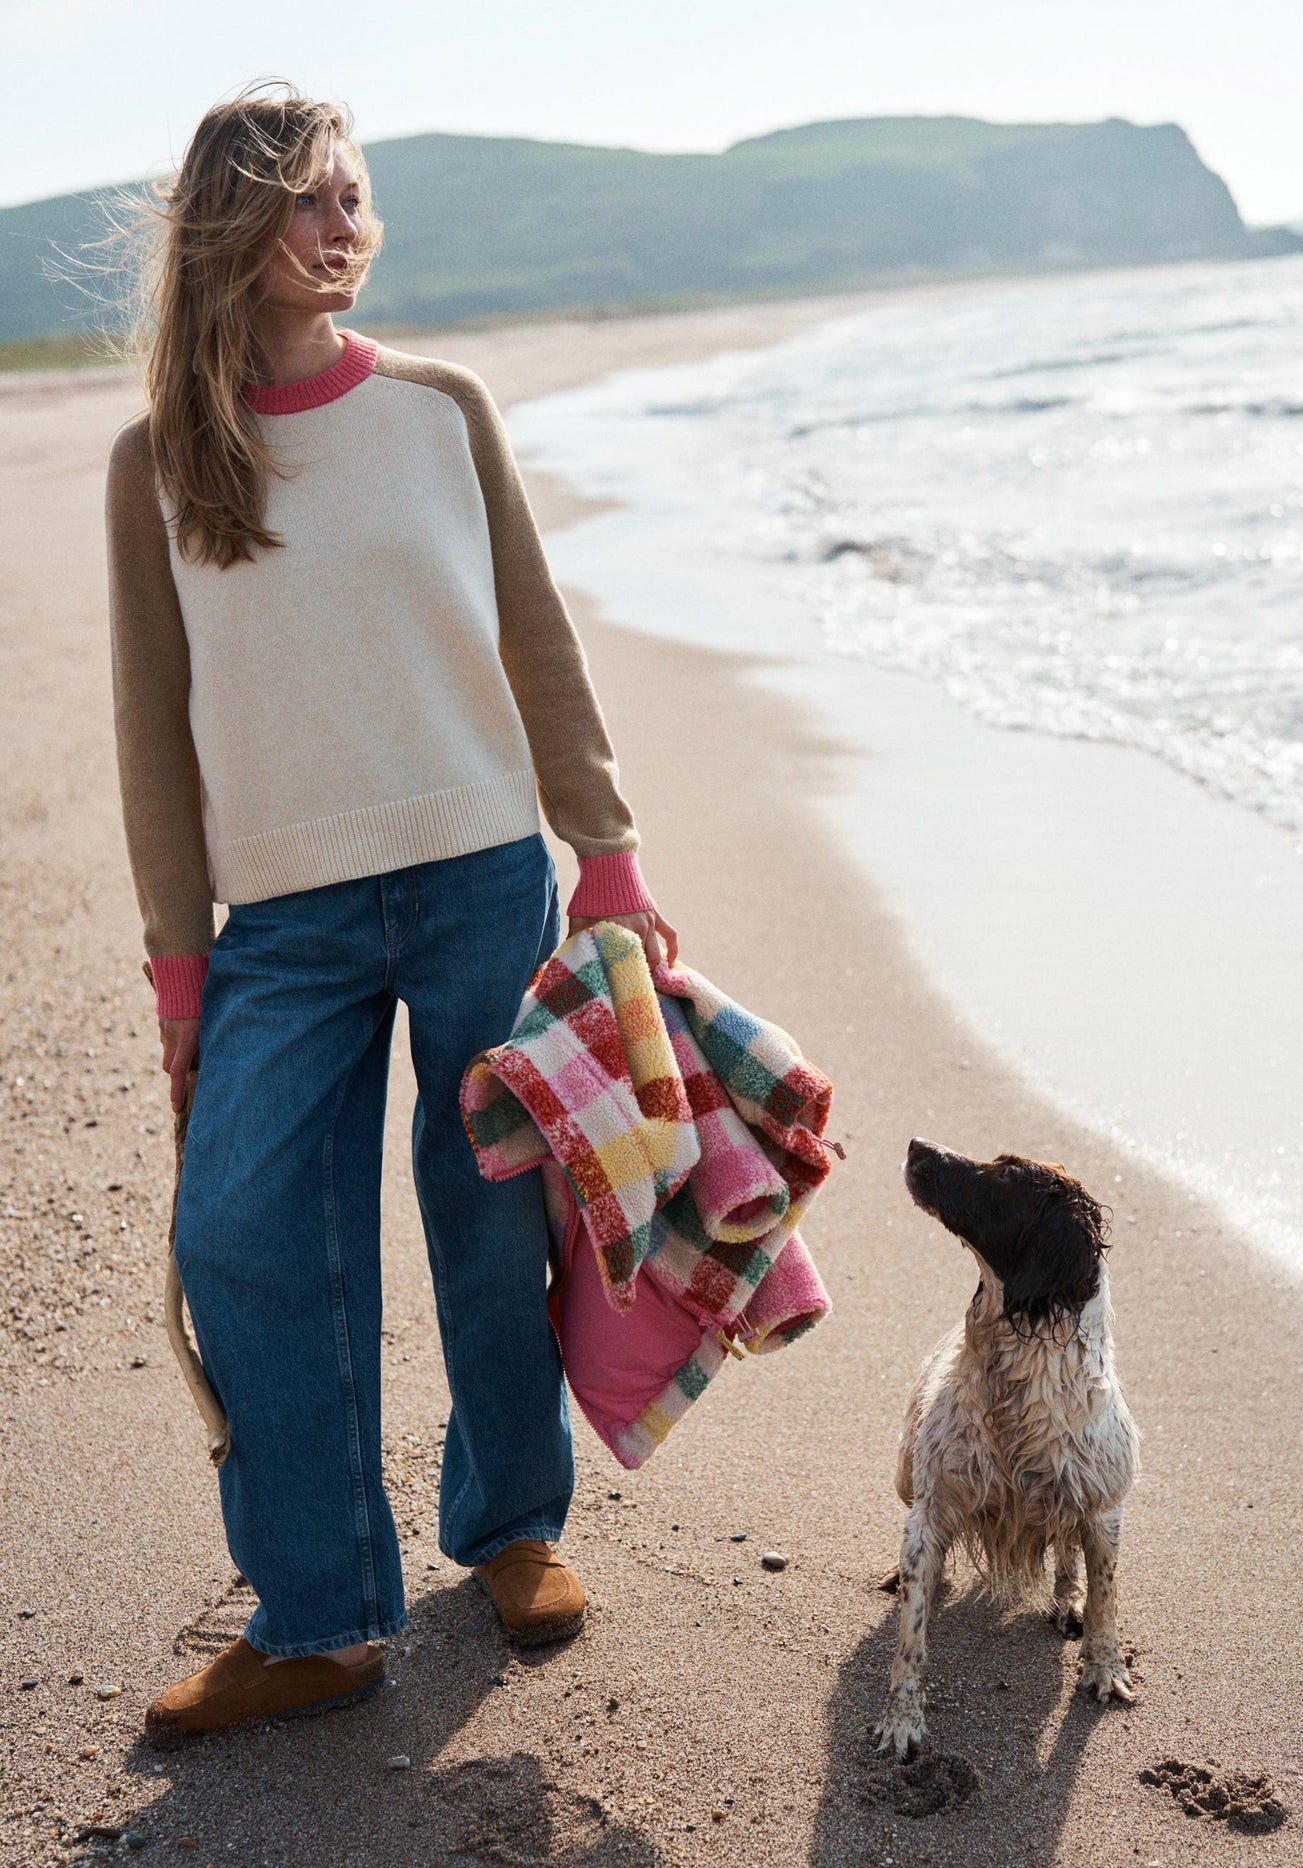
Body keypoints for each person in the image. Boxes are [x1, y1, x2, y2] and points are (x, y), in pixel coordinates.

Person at [104, 80, 676, 1738]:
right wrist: (178, 975)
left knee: (491, 1217)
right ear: (238, 223)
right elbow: (153, 736)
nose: (345, 225)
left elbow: (537, 644)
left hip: (478, 875)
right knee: (242, 1235)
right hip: (275, 923)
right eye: (312, 201)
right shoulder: (158, 460)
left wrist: (610, 858)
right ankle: (323, 1615)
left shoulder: (440, 407)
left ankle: (509, 1527)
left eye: (356, 197)